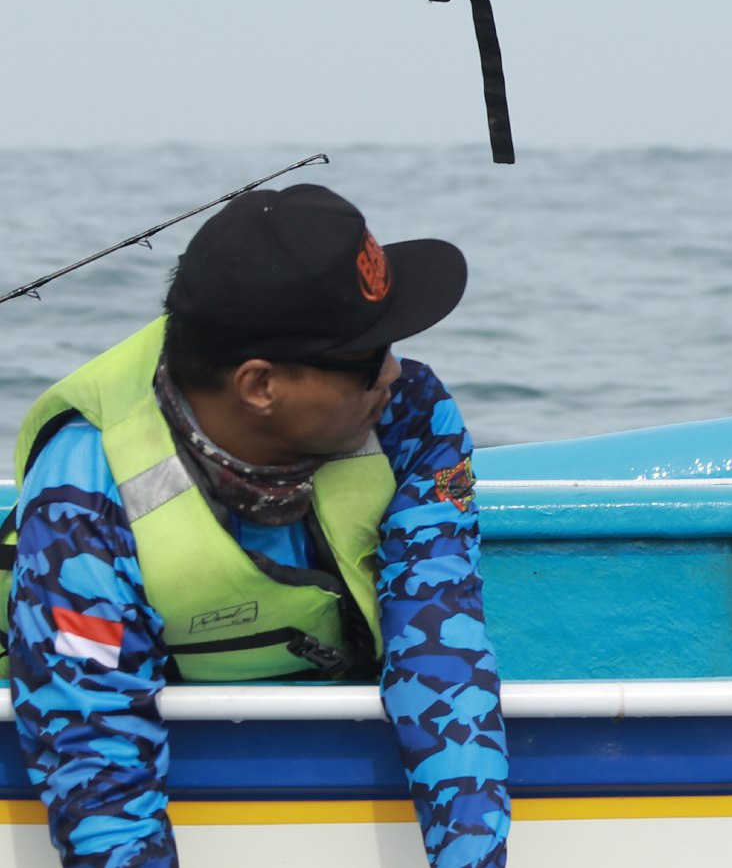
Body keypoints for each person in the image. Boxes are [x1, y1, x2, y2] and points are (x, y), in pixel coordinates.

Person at [4, 185, 509, 867]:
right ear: (260, 385)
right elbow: (96, 761)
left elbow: (440, 646)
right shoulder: (82, 493)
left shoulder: (412, 416)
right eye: (366, 358)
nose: (394, 370)